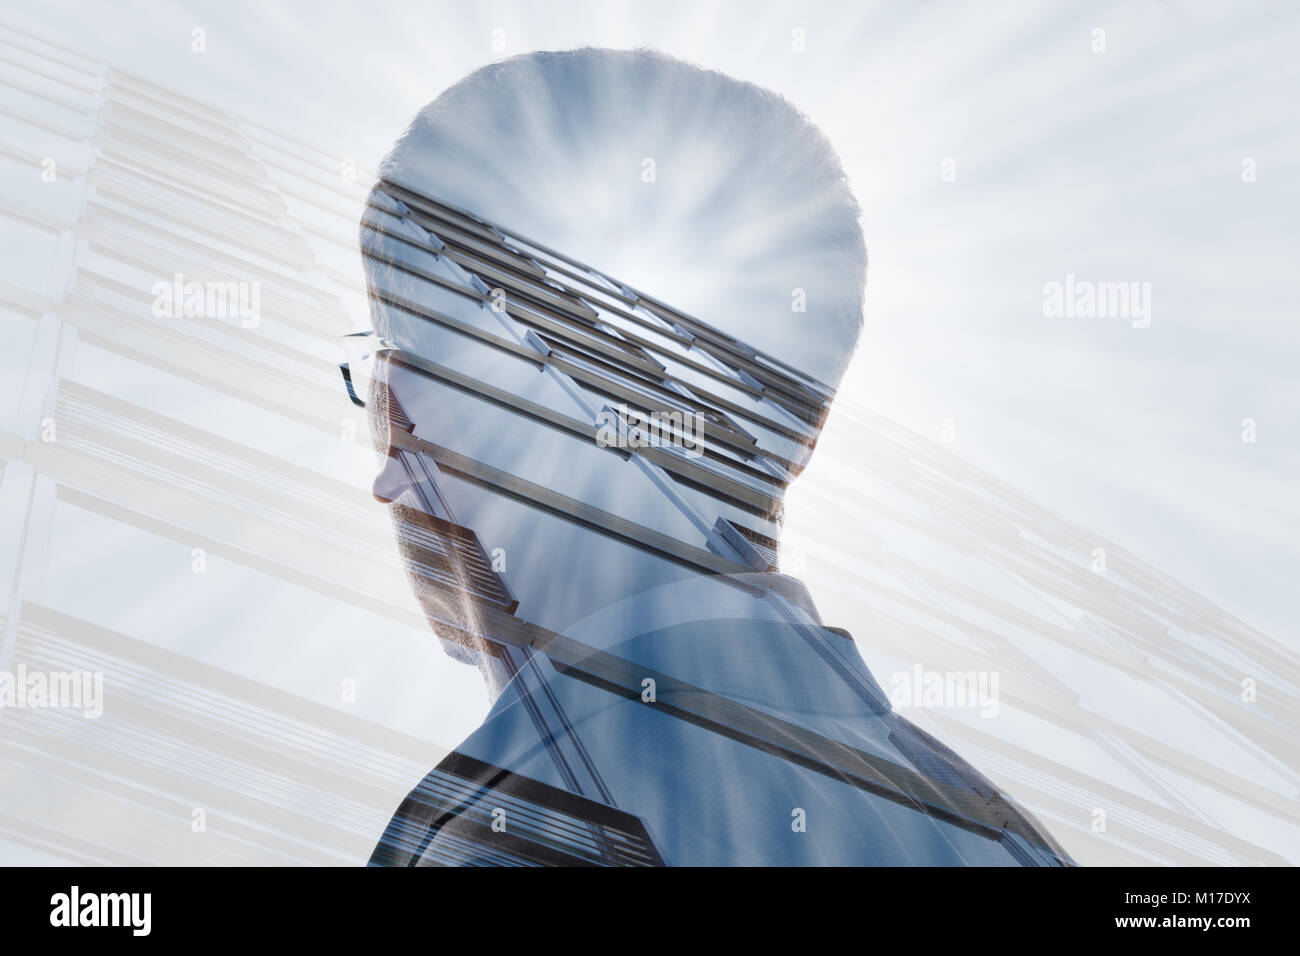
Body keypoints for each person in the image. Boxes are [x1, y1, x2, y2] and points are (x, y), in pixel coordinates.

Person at [355, 49, 1071, 866]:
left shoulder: (512, 828)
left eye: (379, 378)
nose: (385, 456)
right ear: (802, 434)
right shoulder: (1003, 835)